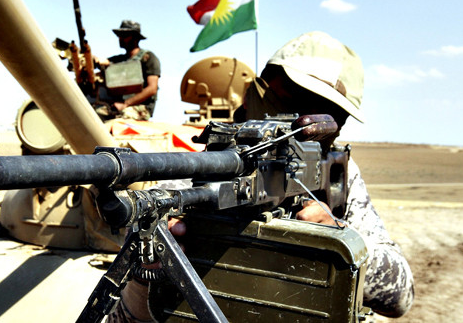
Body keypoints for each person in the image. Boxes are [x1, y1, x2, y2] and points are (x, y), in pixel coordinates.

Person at [110, 31, 414, 321]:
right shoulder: (194, 178)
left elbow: (400, 297)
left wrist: (341, 241)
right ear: (252, 94)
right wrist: (146, 277)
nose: (300, 126)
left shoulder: (335, 174)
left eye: (326, 115)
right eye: (291, 101)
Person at [97, 20, 161, 120]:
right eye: (119, 35)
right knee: (94, 114)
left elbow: (152, 88)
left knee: (121, 117)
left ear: (135, 38)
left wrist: (126, 104)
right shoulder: (119, 60)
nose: (120, 38)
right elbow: (101, 61)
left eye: (125, 35)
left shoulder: (148, 58)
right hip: (119, 105)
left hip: (141, 108)